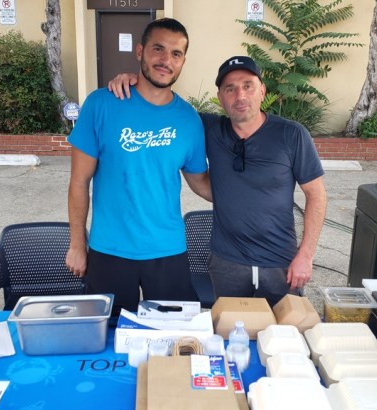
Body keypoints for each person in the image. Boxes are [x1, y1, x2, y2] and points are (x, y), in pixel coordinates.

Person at [109, 56, 327, 306]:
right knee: (229, 335)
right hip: (227, 263)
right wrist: (137, 82)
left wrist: (306, 255)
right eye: (230, 89)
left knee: (284, 337)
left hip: (281, 262)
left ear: (262, 91)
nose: (240, 96)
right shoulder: (209, 128)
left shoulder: (292, 134)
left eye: (248, 86)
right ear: (220, 97)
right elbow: (166, 108)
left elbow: (317, 194)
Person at [66, 18, 211, 316]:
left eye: (176, 54)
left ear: (183, 61)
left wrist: (248, 197)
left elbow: (200, 182)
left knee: (176, 339)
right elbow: (79, 182)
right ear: (140, 51)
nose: (165, 60)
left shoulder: (188, 119)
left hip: (168, 248)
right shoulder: (101, 104)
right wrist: (77, 245)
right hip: (109, 249)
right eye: (158, 49)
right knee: (109, 340)